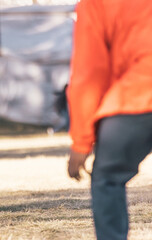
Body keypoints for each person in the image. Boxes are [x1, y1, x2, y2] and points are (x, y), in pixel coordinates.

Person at [67, 0, 152, 239]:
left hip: (137, 94)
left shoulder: (95, 3)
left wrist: (81, 142)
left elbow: (89, 70)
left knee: (108, 179)